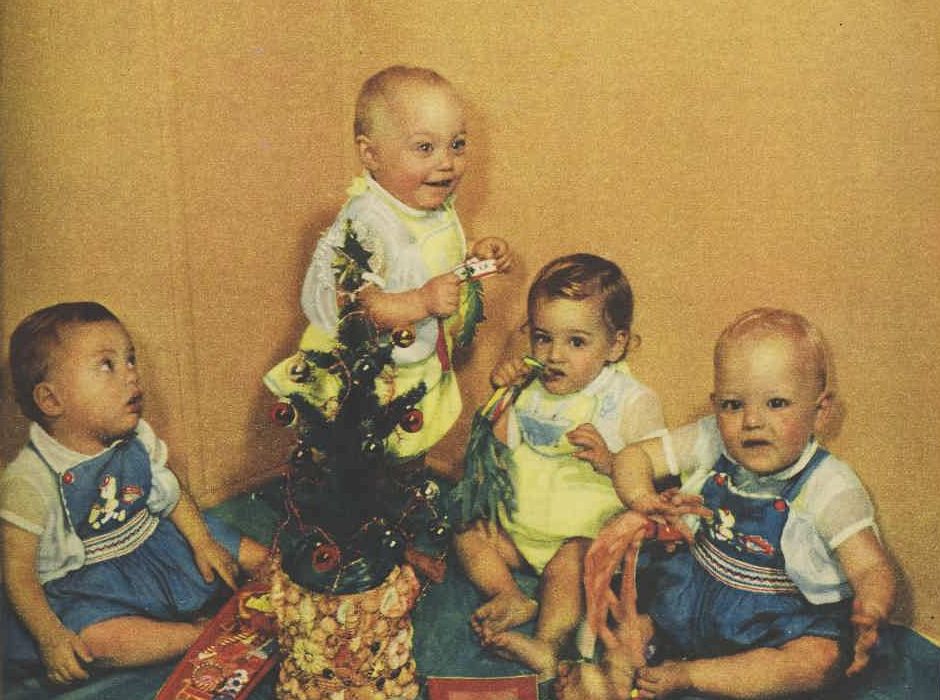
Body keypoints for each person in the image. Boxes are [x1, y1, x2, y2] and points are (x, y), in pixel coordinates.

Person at [565, 307, 896, 700]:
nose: (752, 420)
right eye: (733, 405)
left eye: (776, 404)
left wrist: (871, 610)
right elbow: (634, 457)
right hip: (689, 599)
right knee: (629, 624)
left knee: (818, 660)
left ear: (819, 411)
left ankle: (694, 676)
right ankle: (615, 685)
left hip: (776, 623)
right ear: (715, 403)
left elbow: (871, 564)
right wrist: (642, 498)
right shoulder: (711, 438)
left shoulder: (829, 484)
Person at [1, 302, 270, 685]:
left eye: (130, 360)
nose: (131, 376)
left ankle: (287, 586)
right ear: (51, 400)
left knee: (235, 545)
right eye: (107, 365)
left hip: (153, 541)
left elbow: (171, 493)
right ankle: (200, 636)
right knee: (95, 641)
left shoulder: (137, 437)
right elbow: (18, 573)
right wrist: (50, 636)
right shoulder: (30, 478)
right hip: (91, 580)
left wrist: (201, 540)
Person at [264, 65, 511, 466]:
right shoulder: (366, 223)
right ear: (371, 154)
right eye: (425, 148)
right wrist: (423, 301)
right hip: (365, 374)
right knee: (362, 458)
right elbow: (357, 308)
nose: (447, 162)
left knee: (408, 445)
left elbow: (428, 259)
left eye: (458, 144)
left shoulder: (429, 206)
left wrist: (474, 257)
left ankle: (403, 501)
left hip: (414, 364)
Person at [454, 253, 674, 680]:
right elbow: (502, 448)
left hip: (579, 539)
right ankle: (509, 594)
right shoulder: (532, 390)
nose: (554, 355)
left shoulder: (630, 400)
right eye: (542, 338)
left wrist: (612, 463)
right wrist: (504, 397)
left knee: (569, 567)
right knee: (468, 529)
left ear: (615, 344)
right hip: (519, 529)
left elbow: (657, 476)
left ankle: (547, 644)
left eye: (576, 342)